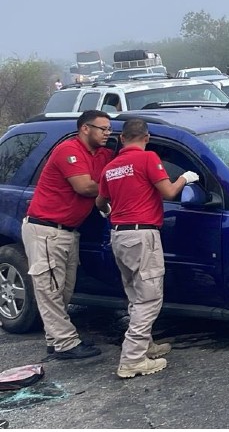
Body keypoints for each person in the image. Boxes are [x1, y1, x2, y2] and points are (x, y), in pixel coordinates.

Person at [95, 118, 197, 378]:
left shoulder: (112, 166)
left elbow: (100, 201)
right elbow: (169, 192)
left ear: (122, 139)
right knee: (149, 298)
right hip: (143, 236)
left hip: (119, 236)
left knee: (135, 295)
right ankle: (132, 360)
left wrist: (110, 210)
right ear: (147, 138)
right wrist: (185, 178)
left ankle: (146, 345)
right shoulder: (148, 158)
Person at [20, 110, 114, 360]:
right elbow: (84, 187)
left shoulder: (103, 155)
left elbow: (117, 171)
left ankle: (55, 338)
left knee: (63, 290)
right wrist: (111, 188)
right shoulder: (68, 150)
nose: (107, 133)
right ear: (85, 128)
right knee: (49, 288)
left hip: (69, 231)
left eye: (109, 130)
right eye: (102, 129)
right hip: (46, 230)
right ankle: (65, 343)